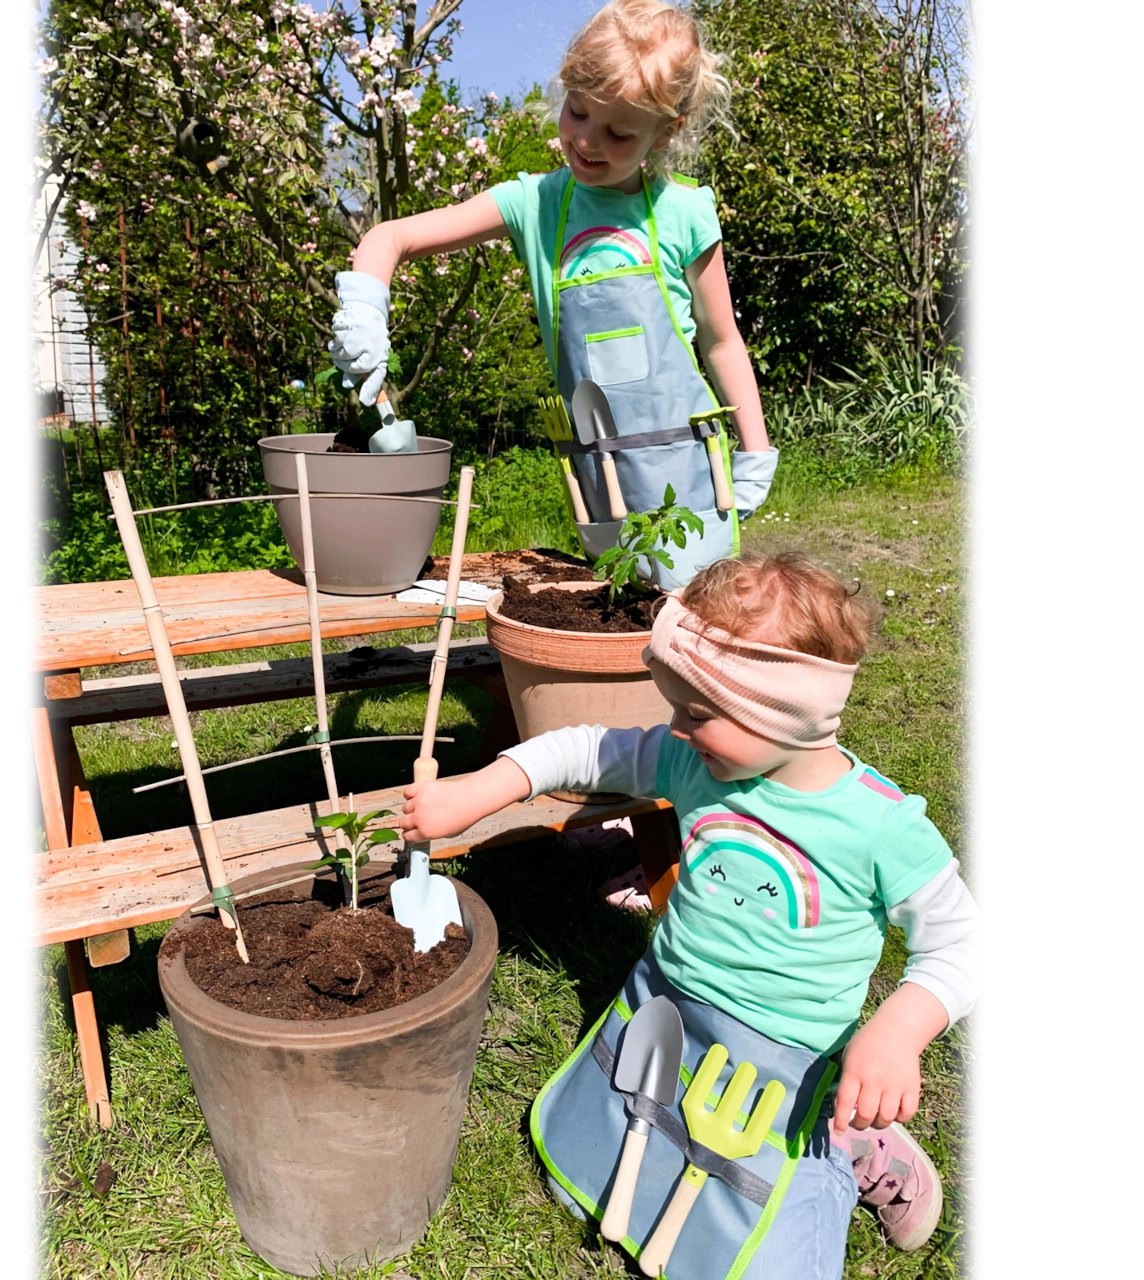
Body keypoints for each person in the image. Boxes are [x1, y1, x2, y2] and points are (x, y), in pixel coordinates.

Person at [395, 553, 978, 1277]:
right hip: (667, 1014)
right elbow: (585, 748)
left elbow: (962, 944)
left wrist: (898, 1032)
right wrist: (480, 791)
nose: (674, 728)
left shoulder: (880, 827)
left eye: (696, 713)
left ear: (784, 713)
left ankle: (851, 1137)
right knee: (584, 1182)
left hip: (788, 1060)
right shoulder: (695, 762)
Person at [329, 0, 779, 588]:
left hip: (692, 474)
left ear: (668, 131)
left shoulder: (684, 212)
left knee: (693, 616)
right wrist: (364, 304)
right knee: (621, 609)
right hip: (599, 477)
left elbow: (721, 343)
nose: (587, 140)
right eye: (577, 112)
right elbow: (390, 238)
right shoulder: (535, 205)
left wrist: (755, 450)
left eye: (617, 132)